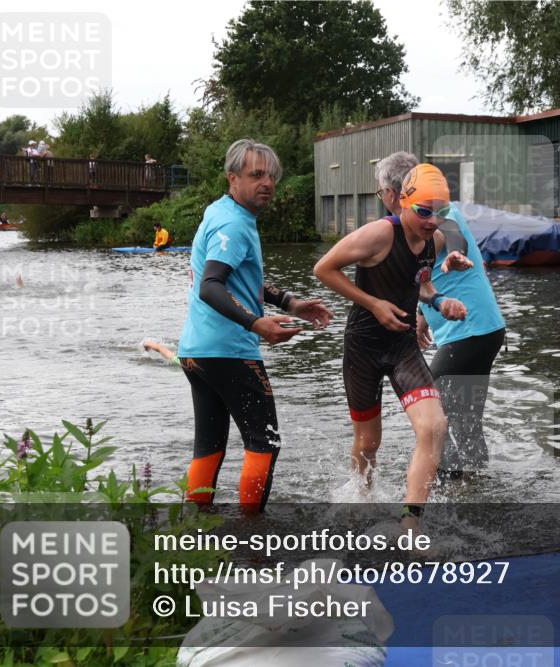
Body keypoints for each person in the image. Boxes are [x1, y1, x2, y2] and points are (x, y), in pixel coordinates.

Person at [177, 138, 333, 512]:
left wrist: (290, 302)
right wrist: (256, 323)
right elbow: (210, 286)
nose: (267, 182)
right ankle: (252, 535)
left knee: (210, 445)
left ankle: (194, 527)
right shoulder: (234, 223)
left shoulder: (220, 212)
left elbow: (238, 281)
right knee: (265, 445)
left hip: (197, 352)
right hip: (230, 352)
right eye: (256, 175)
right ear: (233, 178)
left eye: (271, 176)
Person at [313, 163, 473, 529]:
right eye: (424, 212)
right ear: (402, 201)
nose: (432, 221)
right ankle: (361, 502)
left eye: (441, 212)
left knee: (434, 426)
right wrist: (373, 304)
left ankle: (410, 525)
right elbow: (324, 268)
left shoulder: (434, 240)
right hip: (363, 348)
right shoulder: (379, 235)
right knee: (369, 444)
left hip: (402, 347)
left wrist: (439, 303)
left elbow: (423, 284)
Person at [375, 152, 507, 477]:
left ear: (395, 192)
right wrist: (423, 311)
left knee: (429, 414)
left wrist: (456, 253)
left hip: (469, 331)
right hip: (485, 329)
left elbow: (454, 239)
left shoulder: (437, 211)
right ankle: (475, 487)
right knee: (465, 422)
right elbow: (426, 274)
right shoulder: (419, 220)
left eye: (381, 191)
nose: (383, 198)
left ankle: (445, 486)